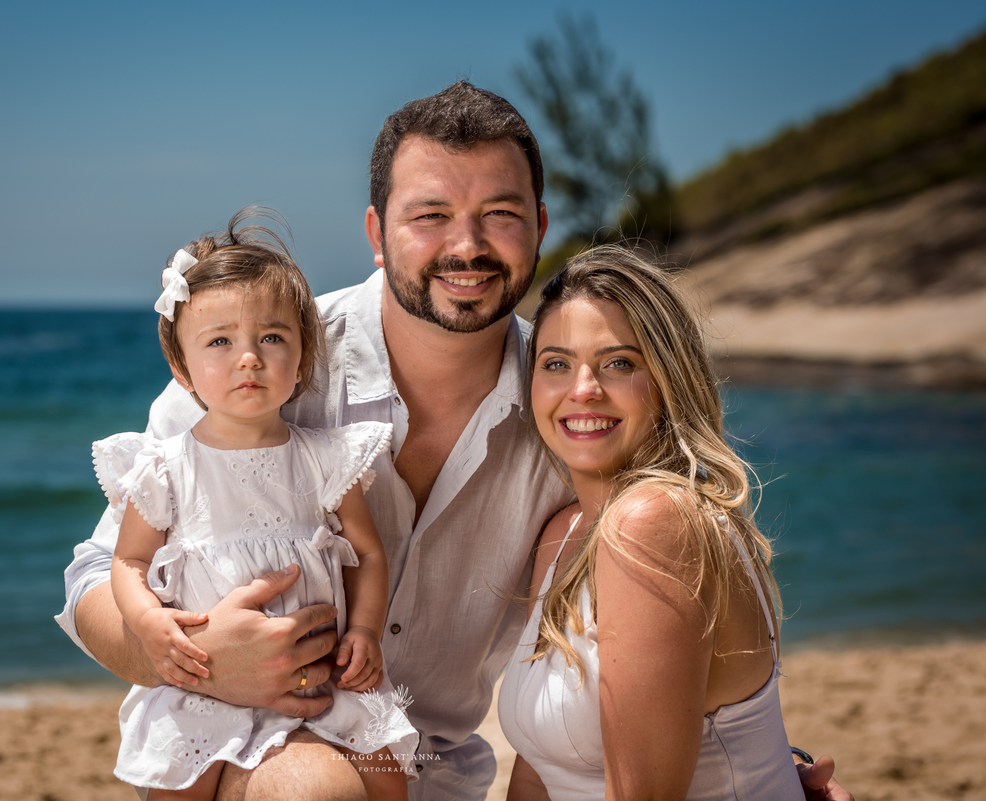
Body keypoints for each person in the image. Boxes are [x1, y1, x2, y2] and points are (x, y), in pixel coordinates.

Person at [57, 82, 848, 801]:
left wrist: (767, 765)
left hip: (437, 776)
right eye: (430, 215)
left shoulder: (568, 405)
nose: (465, 246)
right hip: (260, 744)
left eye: (499, 214)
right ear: (377, 232)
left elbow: (684, 596)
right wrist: (197, 659)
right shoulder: (263, 359)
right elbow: (98, 571)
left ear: (539, 227)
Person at [93, 211, 417, 800]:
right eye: (220, 341)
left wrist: (365, 631)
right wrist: (147, 622)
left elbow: (368, 553)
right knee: (180, 787)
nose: (249, 357)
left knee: (389, 780)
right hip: (207, 680)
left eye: (271, 337)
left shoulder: (326, 457)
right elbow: (128, 561)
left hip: (325, 677)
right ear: (181, 368)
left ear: (303, 356)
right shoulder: (165, 467)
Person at [499, 247, 820, 800]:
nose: (583, 388)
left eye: (619, 363)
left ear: (669, 380)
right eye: (555, 364)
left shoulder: (655, 523)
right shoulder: (564, 534)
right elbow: (536, 774)